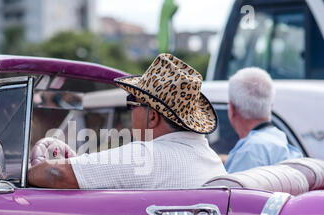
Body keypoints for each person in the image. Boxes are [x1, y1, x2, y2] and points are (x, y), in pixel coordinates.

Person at [28, 53, 226, 189]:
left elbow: (55, 174)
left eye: (132, 103)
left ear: (153, 116)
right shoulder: (210, 158)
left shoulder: (145, 156)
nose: (130, 114)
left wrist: (32, 168)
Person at [224, 67, 303, 173]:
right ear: (271, 105)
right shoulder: (281, 142)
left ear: (232, 109)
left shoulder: (248, 152)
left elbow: (232, 188)